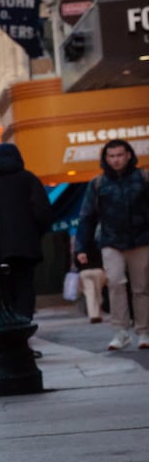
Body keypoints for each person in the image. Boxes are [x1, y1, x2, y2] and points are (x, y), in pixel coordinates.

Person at [74, 138, 149, 350]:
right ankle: (120, 331)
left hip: (141, 239)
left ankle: (144, 331)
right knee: (115, 284)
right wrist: (81, 247)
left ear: (128, 155)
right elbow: (87, 217)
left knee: (141, 288)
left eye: (119, 155)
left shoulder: (142, 178)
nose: (115, 160)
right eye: (111, 156)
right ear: (106, 158)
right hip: (111, 241)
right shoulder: (98, 184)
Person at [0, 142, 51, 321]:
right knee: (25, 285)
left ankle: (8, 323)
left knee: (3, 287)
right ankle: (24, 321)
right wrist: (35, 234)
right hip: (26, 246)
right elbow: (42, 212)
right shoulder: (28, 179)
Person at [77, 240, 107, 324]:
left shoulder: (80, 245)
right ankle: (98, 312)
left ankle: (93, 315)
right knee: (98, 292)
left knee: (90, 293)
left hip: (84, 271)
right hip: (98, 270)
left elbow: (76, 261)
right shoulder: (100, 243)